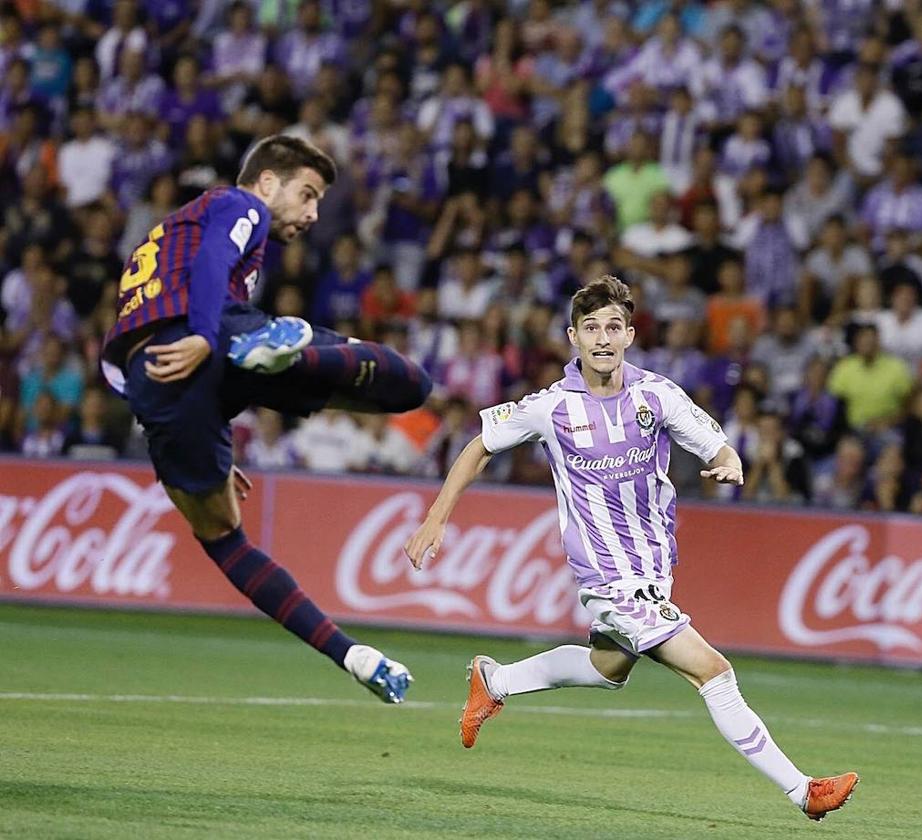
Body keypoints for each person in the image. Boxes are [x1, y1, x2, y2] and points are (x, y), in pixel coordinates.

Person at [404, 276, 858, 822]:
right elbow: (479, 446)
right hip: (608, 580)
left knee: (607, 667)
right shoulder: (551, 407)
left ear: (630, 334)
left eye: (612, 327)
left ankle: (495, 680)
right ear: (573, 337)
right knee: (713, 671)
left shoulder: (656, 395)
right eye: (590, 328)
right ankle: (802, 790)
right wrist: (436, 517)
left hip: (653, 571)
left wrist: (729, 460)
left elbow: (712, 440)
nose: (602, 338)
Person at [99, 135, 433, 704]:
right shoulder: (239, 203)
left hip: (155, 384)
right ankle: (293, 349)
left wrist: (202, 422)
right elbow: (211, 264)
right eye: (307, 194)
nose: (313, 213)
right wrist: (207, 337)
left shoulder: (162, 239)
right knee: (411, 383)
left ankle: (350, 653)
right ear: (269, 181)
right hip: (215, 335)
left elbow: (121, 362)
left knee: (224, 538)